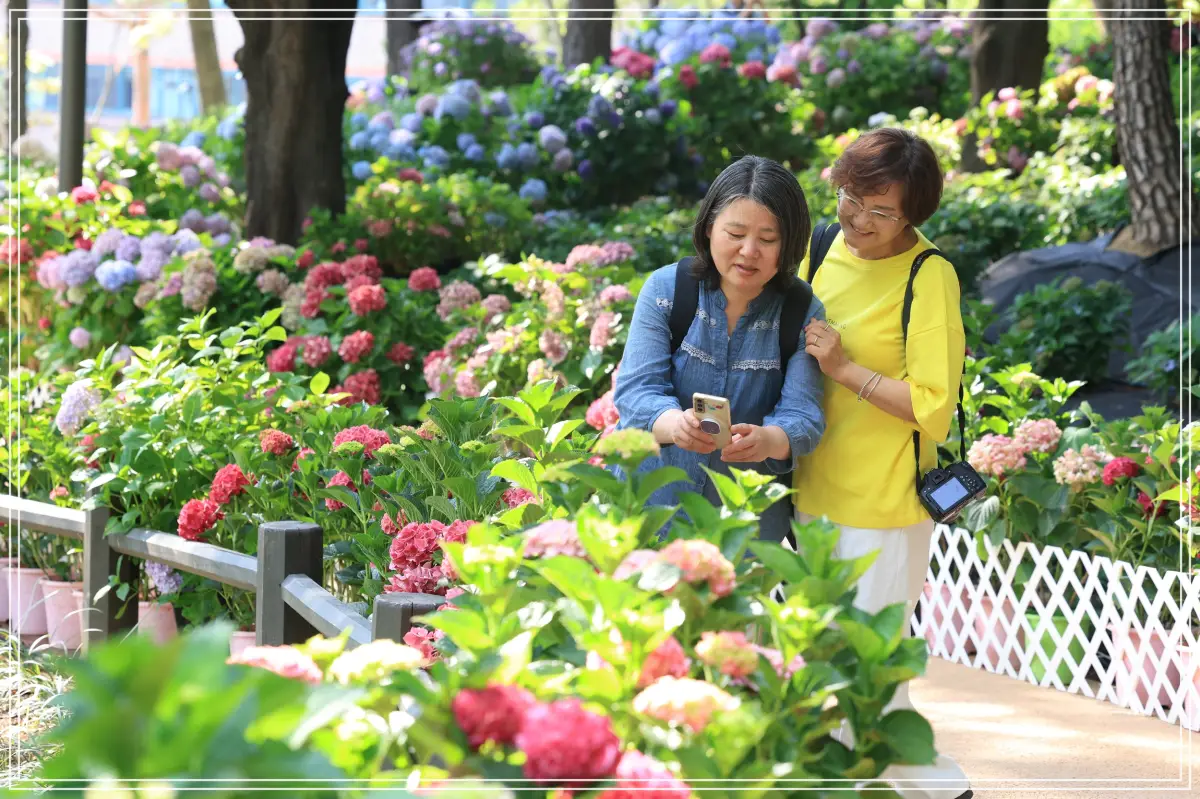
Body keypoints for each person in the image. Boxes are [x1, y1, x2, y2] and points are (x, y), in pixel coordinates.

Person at [793, 127, 973, 799]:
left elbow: (931, 404)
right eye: (851, 197)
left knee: (866, 672)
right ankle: (935, 788)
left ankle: (922, 787)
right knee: (827, 664)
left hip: (885, 506)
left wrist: (844, 368)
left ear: (912, 216)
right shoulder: (820, 247)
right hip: (810, 488)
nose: (859, 220)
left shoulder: (930, 277)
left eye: (881, 211)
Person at [612, 155, 825, 545]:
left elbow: (803, 416)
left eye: (768, 239)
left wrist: (770, 439)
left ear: (790, 243)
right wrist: (676, 426)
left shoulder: (802, 310)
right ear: (710, 227)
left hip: (743, 529)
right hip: (646, 512)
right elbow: (635, 392)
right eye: (735, 233)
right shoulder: (665, 290)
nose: (749, 251)